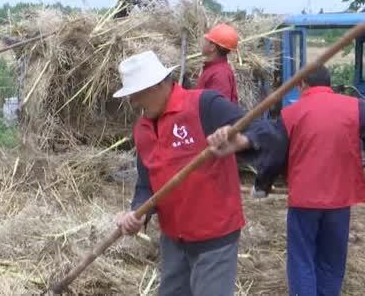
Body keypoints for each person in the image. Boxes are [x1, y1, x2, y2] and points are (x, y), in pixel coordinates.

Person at [113, 51, 273, 296]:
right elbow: (147, 184)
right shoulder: (142, 129)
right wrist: (137, 214)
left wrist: (241, 140)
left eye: (136, 94)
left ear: (158, 85)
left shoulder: (204, 105)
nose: (133, 101)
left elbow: (262, 129)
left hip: (214, 238)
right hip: (173, 240)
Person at [254, 66, 365, 296]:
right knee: (332, 260)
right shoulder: (356, 108)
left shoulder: (291, 114)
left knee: (302, 259)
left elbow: (274, 157)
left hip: (304, 200)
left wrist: (262, 185)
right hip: (340, 199)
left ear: (303, 84)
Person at [197, 23, 239, 103]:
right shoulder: (214, 69)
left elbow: (219, 110)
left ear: (212, 47)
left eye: (206, 40)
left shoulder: (220, 74)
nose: (203, 43)